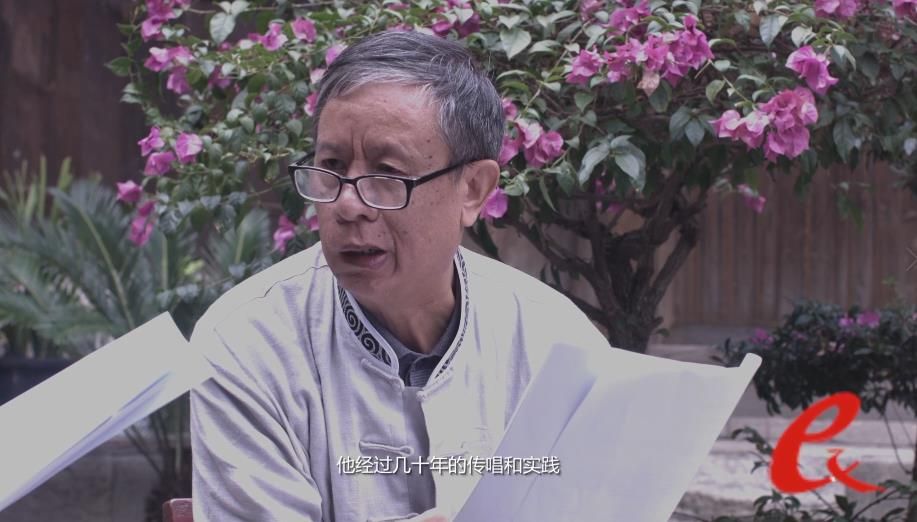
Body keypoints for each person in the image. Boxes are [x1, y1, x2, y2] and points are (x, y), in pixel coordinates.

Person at [189, 30, 610, 522]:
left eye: (387, 175)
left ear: (473, 189)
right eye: (332, 166)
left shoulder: (552, 340)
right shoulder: (248, 343)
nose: (348, 205)